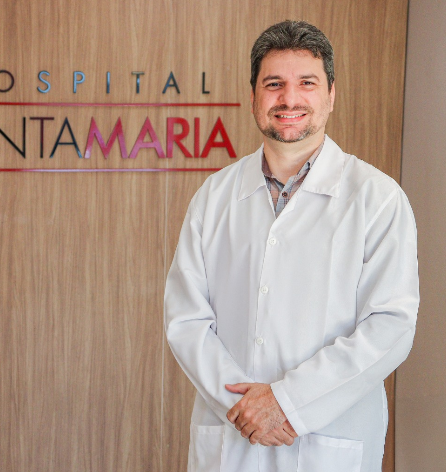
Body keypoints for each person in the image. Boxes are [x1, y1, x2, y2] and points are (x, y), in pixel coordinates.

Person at [164, 20, 418, 472]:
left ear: (331, 95)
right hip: (232, 434)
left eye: (307, 83)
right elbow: (186, 319)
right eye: (274, 84)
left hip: (329, 439)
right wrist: (245, 407)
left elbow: (390, 326)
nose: (289, 99)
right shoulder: (214, 196)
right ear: (253, 97)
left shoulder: (377, 198)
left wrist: (288, 402)